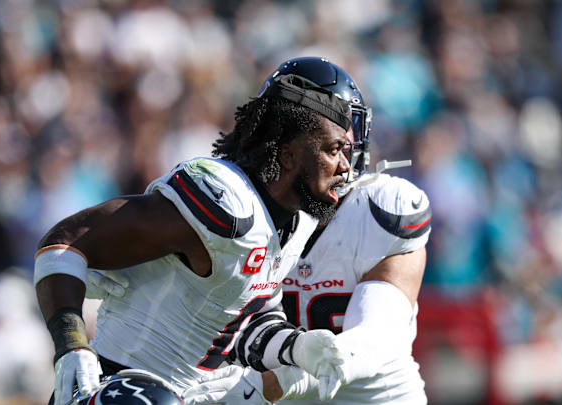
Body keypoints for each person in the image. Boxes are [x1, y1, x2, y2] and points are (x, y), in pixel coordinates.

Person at [91, 57, 432, 404]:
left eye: (344, 138)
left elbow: (377, 338)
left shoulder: (382, 209)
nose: (343, 155)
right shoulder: (241, 214)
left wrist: (285, 375)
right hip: (268, 388)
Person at [34, 69, 355, 405]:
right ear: (289, 155)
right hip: (120, 387)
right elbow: (67, 241)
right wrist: (70, 344)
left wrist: (296, 348)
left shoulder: (298, 220)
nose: (345, 166)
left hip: (191, 393)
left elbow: (240, 319)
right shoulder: (226, 206)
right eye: (334, 150)